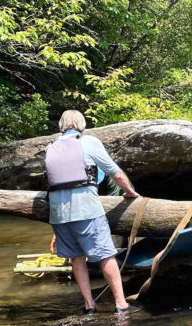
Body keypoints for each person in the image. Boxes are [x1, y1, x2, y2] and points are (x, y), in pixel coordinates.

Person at [45, 110, 140, 314]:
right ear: (82, 124)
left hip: (59, 214)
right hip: (86, 209)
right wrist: (132, 193)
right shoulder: (89, 142)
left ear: (61, 125)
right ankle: (121, 304)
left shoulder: (51, 147)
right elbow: (115, 172)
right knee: (106, 255)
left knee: (77, 258)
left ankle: (89, 306)